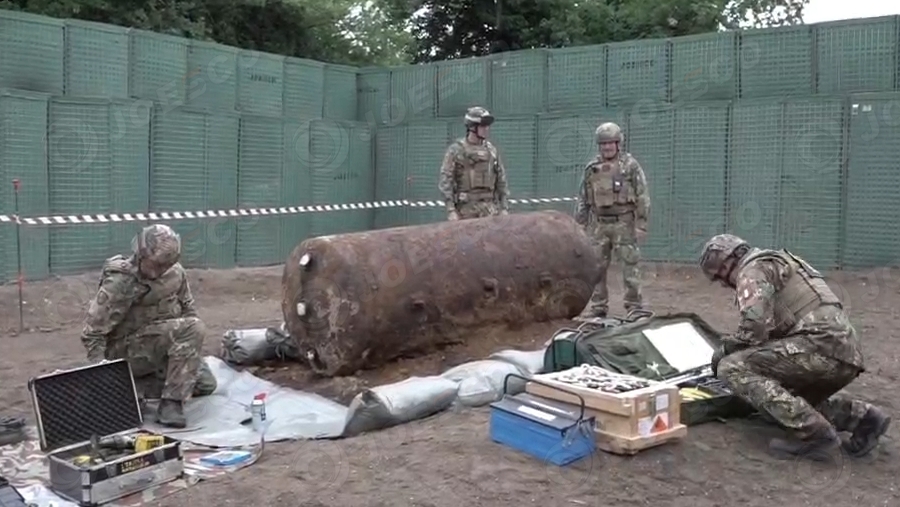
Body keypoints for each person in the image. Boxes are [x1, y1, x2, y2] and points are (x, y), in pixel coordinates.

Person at [699, 234, 890, 460]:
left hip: (818, 348)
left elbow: (754, 329)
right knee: (779, 401)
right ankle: (862, 417)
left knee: (732, 368)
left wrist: (724, 351)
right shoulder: (779, 262)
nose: (722, 283)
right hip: (844, 352)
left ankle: (814, 434)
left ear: (730, 261)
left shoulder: (752, 270)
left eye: (719, 275)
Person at [80, 224, 217, 428]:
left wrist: (186, 354)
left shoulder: (176, 274)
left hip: (160, 346)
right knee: (193, 328)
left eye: (164, 266)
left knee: (205, 383)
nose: (158, 272)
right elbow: (93, 334)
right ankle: (171, 404)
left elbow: (188, 309)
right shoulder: (121, 281)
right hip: (126, 351)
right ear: (141, 254)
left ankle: (136, 389)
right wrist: (102, 379)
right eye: (154, 265)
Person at [574, 122, 650, 320]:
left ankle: (634, 307)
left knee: (630, 266)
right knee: (596, 267)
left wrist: (641, 223)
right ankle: (598, 306)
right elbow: (583, 197)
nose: (607, 147)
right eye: (603, 144)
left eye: (611, 143)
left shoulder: (630, 166)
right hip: (599, 225)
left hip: (624, 223)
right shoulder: (592, 168)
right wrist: (579, 224)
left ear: (618, 144)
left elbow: (642, 194)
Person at [438, 106, 510, 220]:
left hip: (490, 211)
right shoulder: (456, 150)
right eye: (483, 125)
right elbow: (446, 181)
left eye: (488, 126)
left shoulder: (492, 151)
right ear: (472, 127)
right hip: (466, 212)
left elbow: (501, 180)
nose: (487, 129)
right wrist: (451, 210)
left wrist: (504, 208)